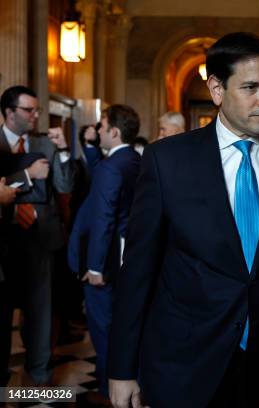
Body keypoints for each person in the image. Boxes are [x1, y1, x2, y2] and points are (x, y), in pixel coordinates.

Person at [108, 32, 259, 408]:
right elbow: (138, 270)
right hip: (183, 358)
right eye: (250, 87)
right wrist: (121, 369)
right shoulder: (167, 161)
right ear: (217, 89)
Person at [0, 85, 75, 387]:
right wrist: (29, 175)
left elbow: (65, 184)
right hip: (4, 238)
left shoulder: (45, 144)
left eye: (36, 110)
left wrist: (66, 150)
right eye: (28, 110)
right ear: (8, 112)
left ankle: (40, 375)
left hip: (39, 239)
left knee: (40, 310)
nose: (35, 116)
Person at [67, 105, 141, 406]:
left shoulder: (113, 167)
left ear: (114, 131)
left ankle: (112, 389)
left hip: (107, 261)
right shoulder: (134, 159)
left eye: (102, 127)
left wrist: (95, 267)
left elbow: (103, 219)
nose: (97, 131)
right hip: (128, 257)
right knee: (120, 322)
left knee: (104, 326)